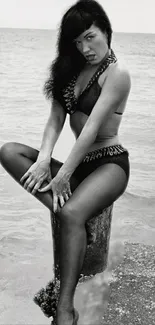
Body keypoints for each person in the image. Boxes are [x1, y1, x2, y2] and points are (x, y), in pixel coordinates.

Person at [0, 0, 131, 324]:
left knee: (71, 212)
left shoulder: (118, 73)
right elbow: (55, 121)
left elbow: (89, 131)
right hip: (79, 165)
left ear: (105, 30)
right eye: (77, 41)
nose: (86, 47)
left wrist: (63, 176)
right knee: (9, 152)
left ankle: (64, 310)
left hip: (110, 164)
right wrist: (45, 161)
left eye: (90, 36)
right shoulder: (68, 70)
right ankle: (73, 221)